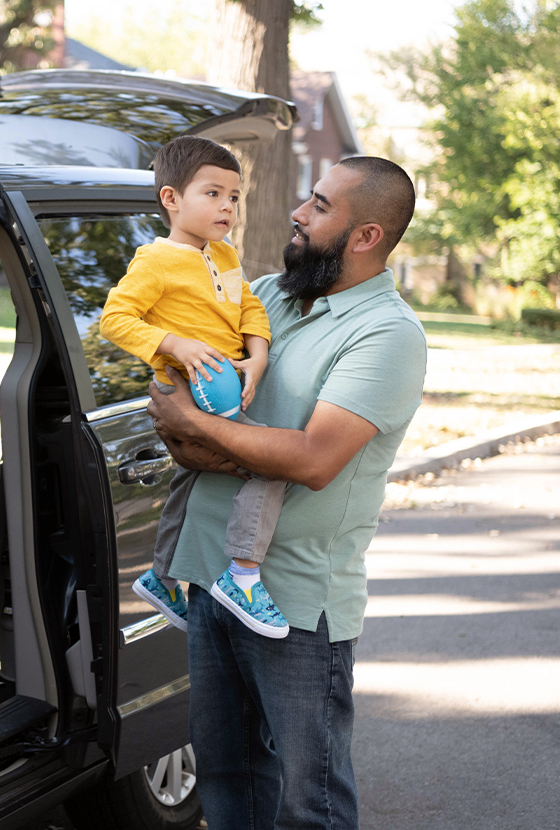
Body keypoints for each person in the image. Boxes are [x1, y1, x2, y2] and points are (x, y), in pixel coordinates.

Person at [147, 156, 427, 830]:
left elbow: (312, 459)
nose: (298, 213)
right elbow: (168, 403)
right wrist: (217, 438)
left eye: (319, 204)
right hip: (213, 579)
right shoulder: (265, 297)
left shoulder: (386, 335)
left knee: (312, 803)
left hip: (298, 605)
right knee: (229, 781)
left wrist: (200, 429)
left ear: (364, 236)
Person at [100, 135, 289, 638]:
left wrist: (259, 354)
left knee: (192, 476)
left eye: (234, 196)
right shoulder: (155, 262)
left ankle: (162, 578)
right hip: (198, 389)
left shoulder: (224, 255)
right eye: (213, 193)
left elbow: (247, 304)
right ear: (171, 199)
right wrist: (174, 344)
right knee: (272, 466)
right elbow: (115, 319)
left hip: (228, 378)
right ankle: (243, 574)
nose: (227, 205)